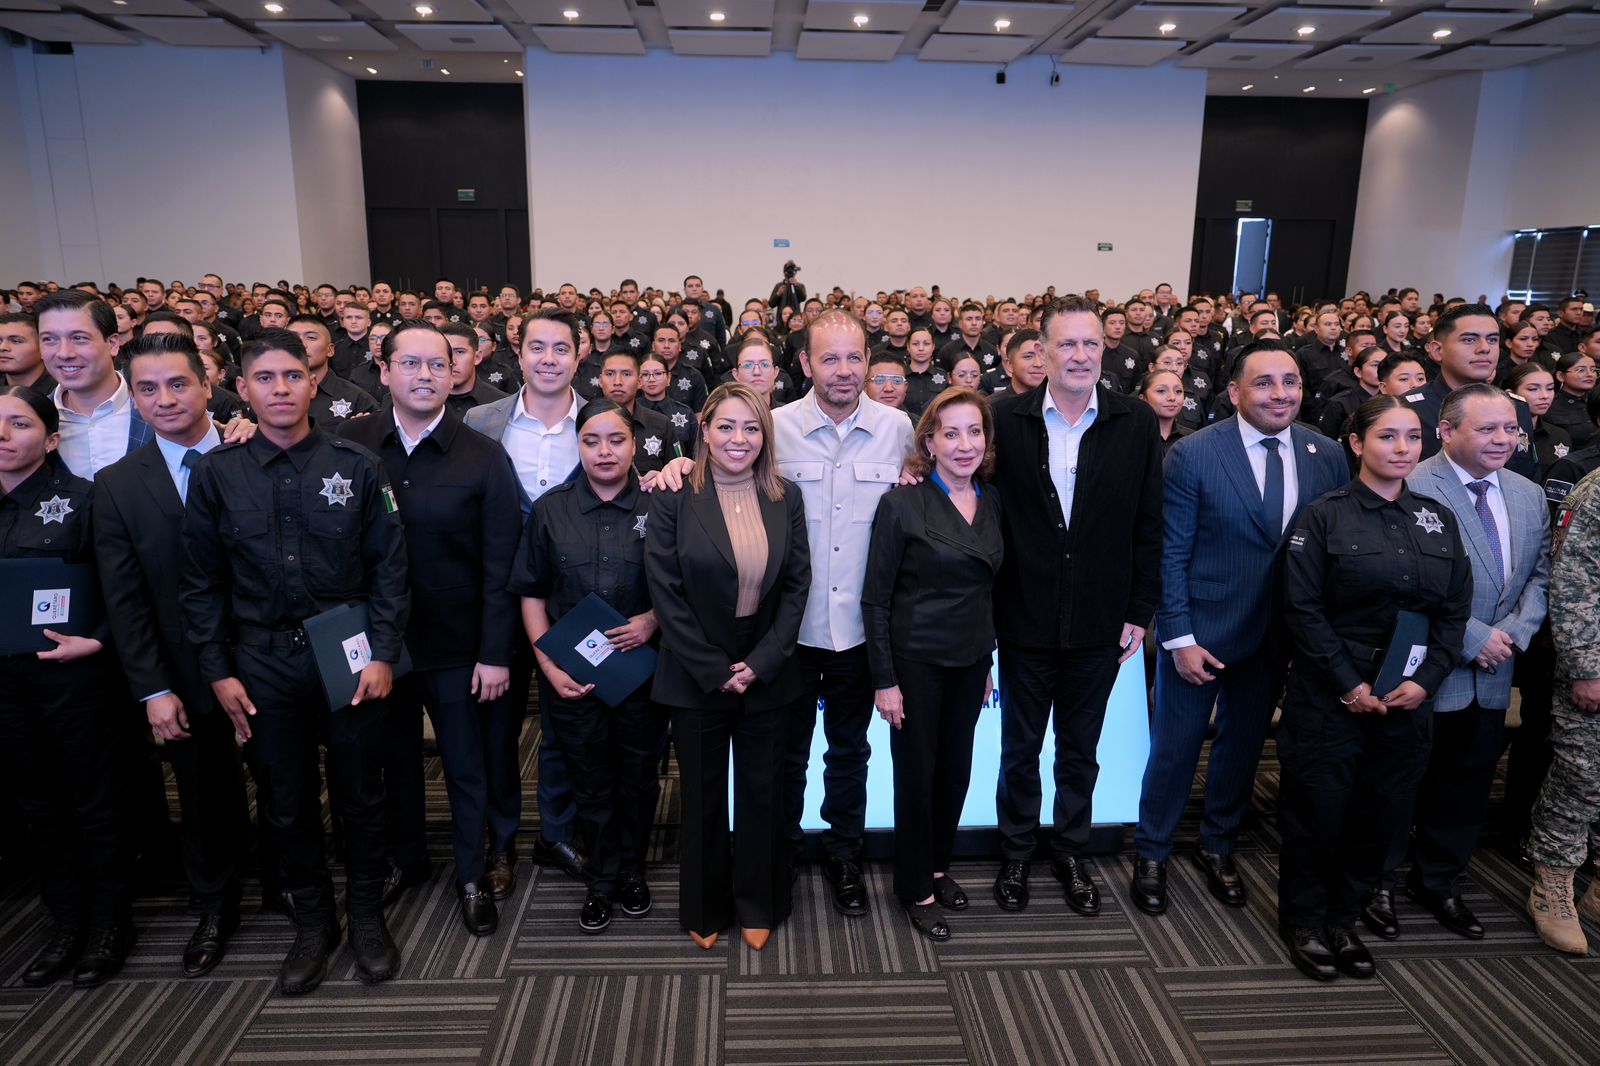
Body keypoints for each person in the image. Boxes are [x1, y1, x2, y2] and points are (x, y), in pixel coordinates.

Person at [180, 329, 410, 995]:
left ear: (314, 383)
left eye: (292, 376)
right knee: (286, 801)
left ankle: (366, 915)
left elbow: (390, 570)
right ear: (242, 388)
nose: (280, 389)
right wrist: (218, 669)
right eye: (265, 378)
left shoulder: (359, 466)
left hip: (348, 652)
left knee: (362, 794)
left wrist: (385, 652)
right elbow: (201, 582)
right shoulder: (218, 475)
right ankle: (314, 923)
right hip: (261, 661)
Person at [1133, 344, 1347, 917]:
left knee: (1243, 747)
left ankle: (1218, 844)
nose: (1280, 394)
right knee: (1175, 749)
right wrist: (1177, 636)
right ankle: (1152, 849)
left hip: (1280, 637)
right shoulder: (1194, 454)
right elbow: (1171, 553)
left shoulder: (1325, 454)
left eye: (1291, 382)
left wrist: (1314, 641)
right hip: (1200, 633)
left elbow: (1328, 556)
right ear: (1233, 392)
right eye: (1264, 384)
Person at [1277, 396, 1472, 983]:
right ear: (1357, 444)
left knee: (1379, 815)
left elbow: (1454, 614)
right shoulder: (1324, 516)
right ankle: (1306, 921)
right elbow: (1301, 609)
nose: (1402, 449)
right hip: (1332, 695)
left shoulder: (1437, 517)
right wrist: (1348, 684)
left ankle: (1344, 917)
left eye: (1412, 438)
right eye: (1387, 437)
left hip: (1406, 699)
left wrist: (1427, 680)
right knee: (1319, 812)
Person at [337, 322, 523, 937]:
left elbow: (502, 565)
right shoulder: (351, 444)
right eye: (410, 364)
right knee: (390, 761)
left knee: (466, 764)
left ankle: (470, 873)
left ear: (455, 374)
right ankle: (404, 860)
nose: (424, 375)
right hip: (377, 642)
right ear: (383, 371)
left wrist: (495, 651)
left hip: (458, 644)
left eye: (437, 365)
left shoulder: (483, 455)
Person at [989, 296, 1164, 915]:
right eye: (1067, 344)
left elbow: (1150, 524)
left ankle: (1070, 850)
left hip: (1101, 622)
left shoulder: (1135, 423)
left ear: (1104, 350)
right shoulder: (1003, 419)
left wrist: (1139, 611)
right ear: (1041, 350)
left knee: (1080, 751)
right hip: (1022, 618)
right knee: (1018, 749)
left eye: (1091, 344)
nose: (1080, 355)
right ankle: (1015, 853)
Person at [93, 334, 253, 978]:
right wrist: (152, 689)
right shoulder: (117, 485)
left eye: (178, 384)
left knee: (289, 781)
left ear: (206, 385)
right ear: (132, 397)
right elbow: (125, 600)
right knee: (203, 788)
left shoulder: (254, 451)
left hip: (267, 654)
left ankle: (293, 886)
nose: (164, 399)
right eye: (148, 388)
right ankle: (217, 902)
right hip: (182, 666)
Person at [645, 382, 810, 951]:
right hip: (695, 668)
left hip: (767, 666)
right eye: (726, 427)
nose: (738, 439)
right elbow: (665, 592)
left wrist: (760, 663)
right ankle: (706, 906)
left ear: (765, 436)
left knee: (763, 794)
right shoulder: (673, 497)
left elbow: (796, 588)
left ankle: (759, 902)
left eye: (750, 428)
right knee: (704, 797)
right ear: (705, 430)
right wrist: (715, 668)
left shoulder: (786, 498)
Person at [1385, 385, 1548, 940]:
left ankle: (1438, 881)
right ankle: (1377, 882)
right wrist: (1473, 637)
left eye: (1511, 429)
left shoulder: (1528, 493)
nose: (1503, 439)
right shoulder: (1409, 483)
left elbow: (1541, 576)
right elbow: (1402, 580)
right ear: (1446, 431)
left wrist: (1510, 634)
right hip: (1426, 666)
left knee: (1468, 784)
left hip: (1497, 668)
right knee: (1399, 781)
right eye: (1487, 429)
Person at [772, 309, 914, 918]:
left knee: (850, 753)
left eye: (854, 357)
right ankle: (777, 857)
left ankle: (845, 856)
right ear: (804, 363)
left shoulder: (899, 429)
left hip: (861, 633)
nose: (844, 370)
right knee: (786, 754)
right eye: (829, 358)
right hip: (791, 632)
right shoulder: (771, 429)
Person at [513, 398, 667, 935]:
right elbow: (531, 594)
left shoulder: (661, 505)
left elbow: (685, 584)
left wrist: (651, 619)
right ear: (576, 446)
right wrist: (547, 666)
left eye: (617, 440)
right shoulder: (551, 509)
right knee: (589, 778)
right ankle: (601, 878)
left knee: (639, 776)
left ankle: (632, 870)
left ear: (634, 444)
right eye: (592, 441)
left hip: (642, 673)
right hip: (570, 675)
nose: (604, 451)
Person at [0, 385, 133, 988]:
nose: (3, 435)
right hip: (7, 686)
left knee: (91, 801)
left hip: (72, 678)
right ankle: (66, 920)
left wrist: (100, 640)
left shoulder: (83, 500)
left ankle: (109, 923)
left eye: (18, 424)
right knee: (39, 803)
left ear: (51, 438)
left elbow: (120, 588)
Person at [862, 388, 1003, 941]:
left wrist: (987, 654)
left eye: (974, 432)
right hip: (914, 663)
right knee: (916, 777)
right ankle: (913, 885)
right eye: (951, 433)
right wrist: (884, 680)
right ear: (929, 442)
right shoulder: (902, 503)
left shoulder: (993, 501)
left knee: (955, 771)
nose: (964, 444)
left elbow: (988, 588)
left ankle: (939, 866)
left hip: (970, 660)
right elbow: (875, 598)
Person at [1526, 464, 1600, 955]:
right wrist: (1587, 667)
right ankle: (1551, 884)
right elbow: (1574, 585)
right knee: (1584, 775)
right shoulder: (1594, 493)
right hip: (1596, 662)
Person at [1404, 304, 1538, 481]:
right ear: (1437, 350)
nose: (1484, 348)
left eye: (1492, 340)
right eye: (1469, 340)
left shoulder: (1516, 407)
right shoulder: (1408, 410)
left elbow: (1526, 476)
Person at [1503, 362, 1571, 477]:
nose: (1545, 395)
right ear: (1511, 394)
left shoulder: (1560, 435)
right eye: (1533, 389)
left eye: (1550, 388)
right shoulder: (1501, 436)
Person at [1543, 350, 1599, 449]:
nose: (1590, 374)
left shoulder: (1596, 399)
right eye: (1581, 370)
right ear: (1561, 376)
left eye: (1593, 370)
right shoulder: (1550, 405)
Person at [1137, 370, 1188, 453]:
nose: (1172, 397)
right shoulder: (1129, 436)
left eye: (1178, 391)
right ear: (1143, 399)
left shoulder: (1192, 438)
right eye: (1161, 391)